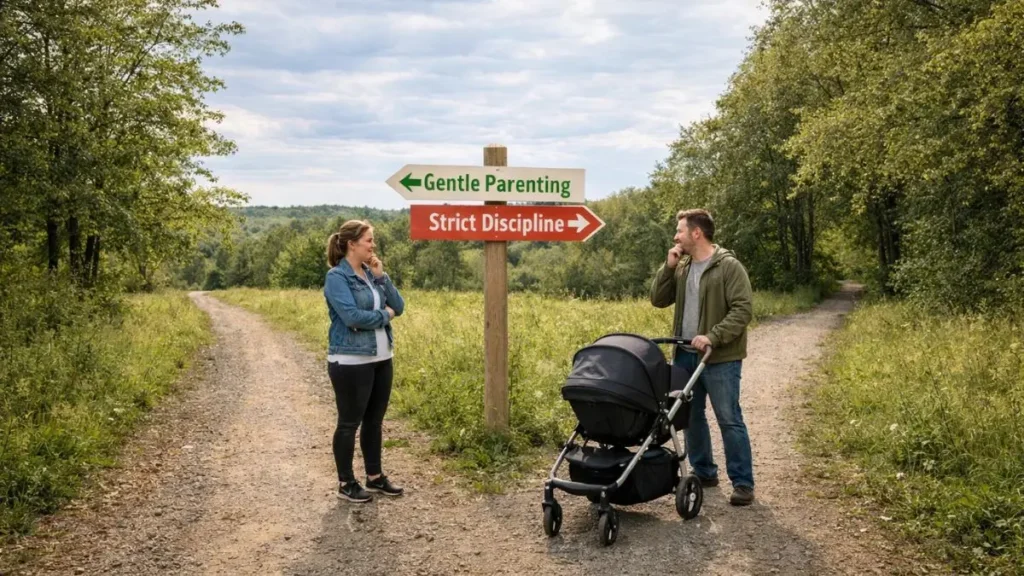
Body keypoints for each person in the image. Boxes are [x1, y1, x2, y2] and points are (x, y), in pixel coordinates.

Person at [650, 209, 755, 506]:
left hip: (719, 357)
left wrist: (713, 335)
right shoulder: (681, 266)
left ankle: (743, 483)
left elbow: (742, 310)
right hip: (685, 356)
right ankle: (705, 471)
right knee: (691, 418)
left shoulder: (729, 267)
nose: (676, 236)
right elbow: (658, 299)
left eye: (679, 230)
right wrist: (668, 268)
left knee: (729, 419)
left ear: (696, 233)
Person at [323, 219, 405, 503]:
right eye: (369, 240)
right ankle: (346, 482)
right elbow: (352, 318)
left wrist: (382, 277)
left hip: (382, 357)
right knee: (349, 423)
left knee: (374, 421)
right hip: (350, 361)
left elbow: (401, 305)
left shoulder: (372, 274)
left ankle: (374, 478)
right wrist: (385, 315)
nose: (373, 245)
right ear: (352, 244)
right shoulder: (337, 277)